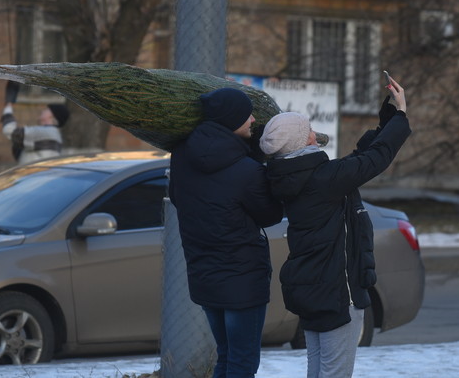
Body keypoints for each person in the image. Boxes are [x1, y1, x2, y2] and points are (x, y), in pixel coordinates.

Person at [258, 77, 410, 378]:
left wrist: (387, 120)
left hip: (311, 288)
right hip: (337, 291)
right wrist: (402, 112)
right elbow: (374, 159)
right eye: (310, 130)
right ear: (303, 142)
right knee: (334, 373)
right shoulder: (323, 180)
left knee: (319, 371)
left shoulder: (295, 177)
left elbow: (357, 160)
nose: (315, 134)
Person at [168, 87, 284, 378]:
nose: (254, 119)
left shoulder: (182, 156)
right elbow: (270, 215)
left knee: (226, 356)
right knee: (243, 362)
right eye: (247, 115)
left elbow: (178, 198)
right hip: (243, 279)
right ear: (232, 119)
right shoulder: (246, 170)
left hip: (204, 274)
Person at [1, 102, 69, 164]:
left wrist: (8, 110)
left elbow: (10, 131)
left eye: (46, 109)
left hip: (32, 175)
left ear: (52, 115)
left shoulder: (46, 132)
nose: (43, 111)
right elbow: (19, 152)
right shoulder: (55, 134)